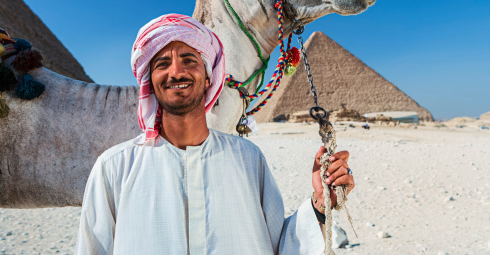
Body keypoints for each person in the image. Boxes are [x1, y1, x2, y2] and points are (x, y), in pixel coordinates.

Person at [75, 14, 355, 254]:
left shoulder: (248, 159)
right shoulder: (113, 168)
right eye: (161, 63)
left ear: (208, 76)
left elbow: (280, 246)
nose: (176, 72)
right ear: (149, 80)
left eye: (189, 60)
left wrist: (320, 204)